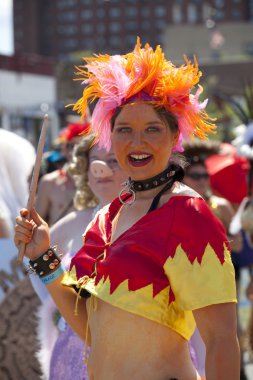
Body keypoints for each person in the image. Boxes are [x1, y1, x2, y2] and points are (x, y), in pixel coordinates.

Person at [15, 38, 239, 379]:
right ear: (110, 136)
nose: (137, 143)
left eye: (152, 129)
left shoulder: (187, 214)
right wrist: (43, 256)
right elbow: (89, 325)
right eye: (124, 130)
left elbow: (221, 339)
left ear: (174, 134)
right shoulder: (106, 218)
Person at [34, 133, 127, 380]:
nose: (100, 168)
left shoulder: (152, 220)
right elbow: (35, 266)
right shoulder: (72, 223)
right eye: (94, 160)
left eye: (112, 160)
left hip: (134, 353)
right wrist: (57, 308)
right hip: (75, 354)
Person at [35, 122, 89, 226]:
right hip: (57, 241)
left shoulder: (99, 183)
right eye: (72, 146)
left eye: (82, 146)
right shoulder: (49, 182)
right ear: (64, 149)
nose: (76, 151)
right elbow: (36, 224)